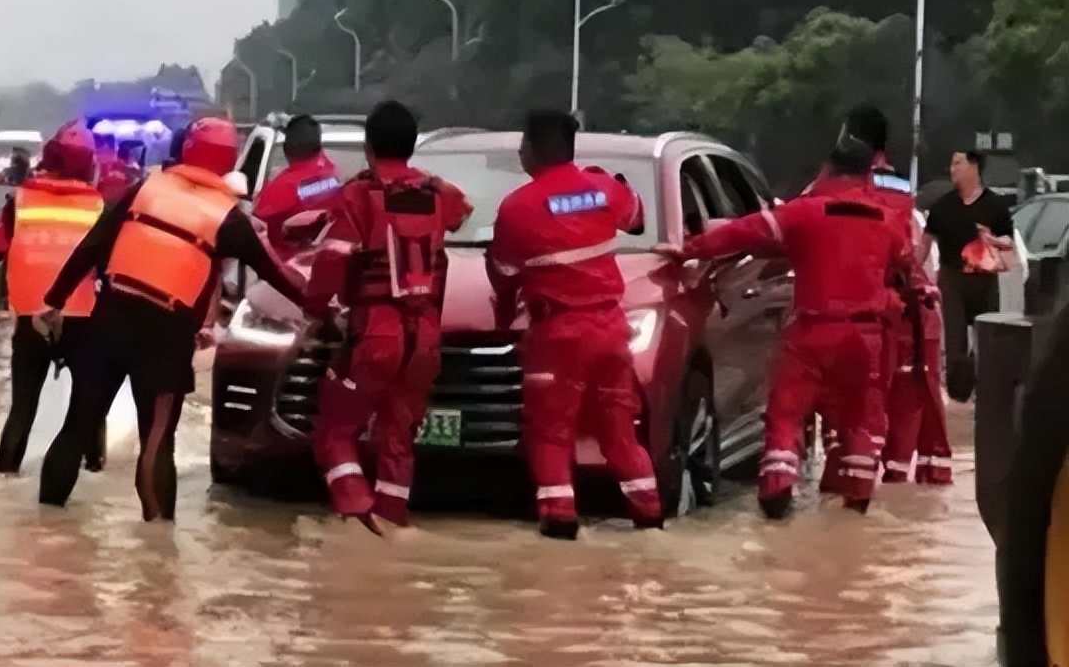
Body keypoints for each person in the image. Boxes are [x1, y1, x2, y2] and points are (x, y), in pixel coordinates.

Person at [36, 116, 308, 522]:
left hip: (111, 315)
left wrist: (53, 301)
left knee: (76, 426)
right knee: (158, 444)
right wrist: (319, 307)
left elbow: (92, 244)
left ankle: (42, 529)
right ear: (229, 162)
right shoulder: (228, 217)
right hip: (165, 335)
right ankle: (160, 555)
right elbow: (276, 273)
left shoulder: (145, 188)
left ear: (184, 151)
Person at [658, 136, 929, 518]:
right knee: (860, 425)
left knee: (786, 413)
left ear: (827, 171)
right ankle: (854, 504)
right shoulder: (887, 222)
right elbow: (907, 270)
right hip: (866, 340)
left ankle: (777, 487)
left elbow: (742, 232)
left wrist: (689, 248)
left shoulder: (804, 213)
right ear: (868, 176)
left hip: (812, 332)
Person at [486, 110, 663, 540]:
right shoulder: (602, 189)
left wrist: (505, 318)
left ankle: (560, 525)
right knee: (619, 432)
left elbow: (504, 275)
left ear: (531, 148)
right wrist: (610, 183)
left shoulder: (516, 207)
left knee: (550, 434)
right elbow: (636, 219)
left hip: (558, 335)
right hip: (610, 330)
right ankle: (650, 518)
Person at [303, 101, 472, 534]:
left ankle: (358, 516)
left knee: (334, 431)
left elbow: (330, 263)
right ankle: (393, 525)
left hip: (377, 333)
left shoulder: (359, 195)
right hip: (425, 340)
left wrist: (317, 313)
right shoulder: (439, 195)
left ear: (369, 145)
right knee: (399, 440)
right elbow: (463, 209)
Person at [833, 104, 952, 487]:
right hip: (905, 311)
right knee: (911, 398)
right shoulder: (902, 192)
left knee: (852, 409)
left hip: (855, 311)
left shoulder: (835, 184)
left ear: (849, 138)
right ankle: (901, 483)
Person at [0, 122, 108, 475]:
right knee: (89, 407)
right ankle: (93, 469)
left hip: (31, 318)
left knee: (22, 407)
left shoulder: (20, 199)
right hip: (83, 318)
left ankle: (5, 473)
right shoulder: (99, 205)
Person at [922, 150, 1016, 402]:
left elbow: (1009, 246)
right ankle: (958, 391)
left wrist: (992, 238)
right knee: (955, 344)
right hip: (953, 279)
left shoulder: (995, 207)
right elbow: (923, 247)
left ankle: (985, 388)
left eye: (957, 163)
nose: (952, 169)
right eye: (951, 164)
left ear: (974, 166)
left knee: (988, 339)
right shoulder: (942, 208)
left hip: (985, 279)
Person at [253, 115, 343, 258]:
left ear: (285, 149)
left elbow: (256, 230)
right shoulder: (332, 175)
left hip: (288, 270)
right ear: (319, 148)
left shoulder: (281, 188)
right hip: (328, 262)